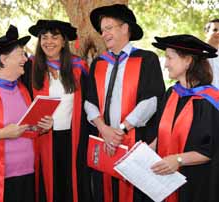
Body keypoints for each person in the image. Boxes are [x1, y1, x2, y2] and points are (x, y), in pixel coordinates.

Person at [85, 4, 165, 202]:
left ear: (125, 28)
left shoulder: (146, 59)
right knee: (105, 192)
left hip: (134, 139)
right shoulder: (99, 63)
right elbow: (89, 100)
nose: (104, 34)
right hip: (105, 140)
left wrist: (120, 130)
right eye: (102, 30)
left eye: (109, 28)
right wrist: (104, 129)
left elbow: (152, 101)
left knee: (133, 191)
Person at [0, 25, 53, 202]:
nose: (26, 58)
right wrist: (3, 134)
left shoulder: (22, 89)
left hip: (28, 174)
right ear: (4, 59)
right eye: (21, 54)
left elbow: (25, 128)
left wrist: (41, 127)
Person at [22, 19, 89, 202]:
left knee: (70, 183)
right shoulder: (30, 66)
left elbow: (88, 103)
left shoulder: (78, 67)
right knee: (47, 185)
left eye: (54, 37)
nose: (48, 42)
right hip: (42, 137)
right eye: (44, 37)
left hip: (72, 136)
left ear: (63, 41)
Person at [150, 34, 219, 202]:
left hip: (195, 183)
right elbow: (164, 133)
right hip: (165, 179)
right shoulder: (171, 94)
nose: (165, 64)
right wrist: (145, 151)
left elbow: (211, 150)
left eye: (169, 58)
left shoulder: (209, 100)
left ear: (188, 61)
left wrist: (178, 160)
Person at [204, 19, 219, 88]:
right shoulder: (198, 54)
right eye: (215, 30)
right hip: (203, 96)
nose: (218, 32)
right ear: (206, 32)